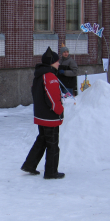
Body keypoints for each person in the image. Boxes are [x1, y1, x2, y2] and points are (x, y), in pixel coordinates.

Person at [21, 47, 65, 179]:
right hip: (49, 117)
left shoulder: (40, 74)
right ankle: (51, 172)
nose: (59, 63)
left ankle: (30, 165)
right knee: (52, 145)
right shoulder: (49, 76)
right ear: (51, 62)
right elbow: (52, 98)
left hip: (41, 115)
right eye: (57, 61)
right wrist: (60, 110)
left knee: (42, 140)